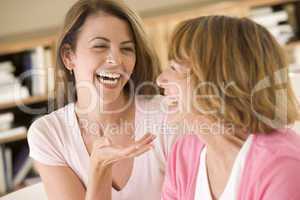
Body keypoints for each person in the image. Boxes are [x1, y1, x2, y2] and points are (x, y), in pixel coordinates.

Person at [27, 0, 178, 200]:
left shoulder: (166, 115)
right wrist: (99, 168)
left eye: (126, 49)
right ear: (68, 56)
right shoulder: (49, 135)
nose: (115, 61)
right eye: (99, 46)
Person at [157, 16, 300, 200]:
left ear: (218, 81)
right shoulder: (184, 153)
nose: (160, 80)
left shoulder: (282, 166)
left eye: (174, 68)